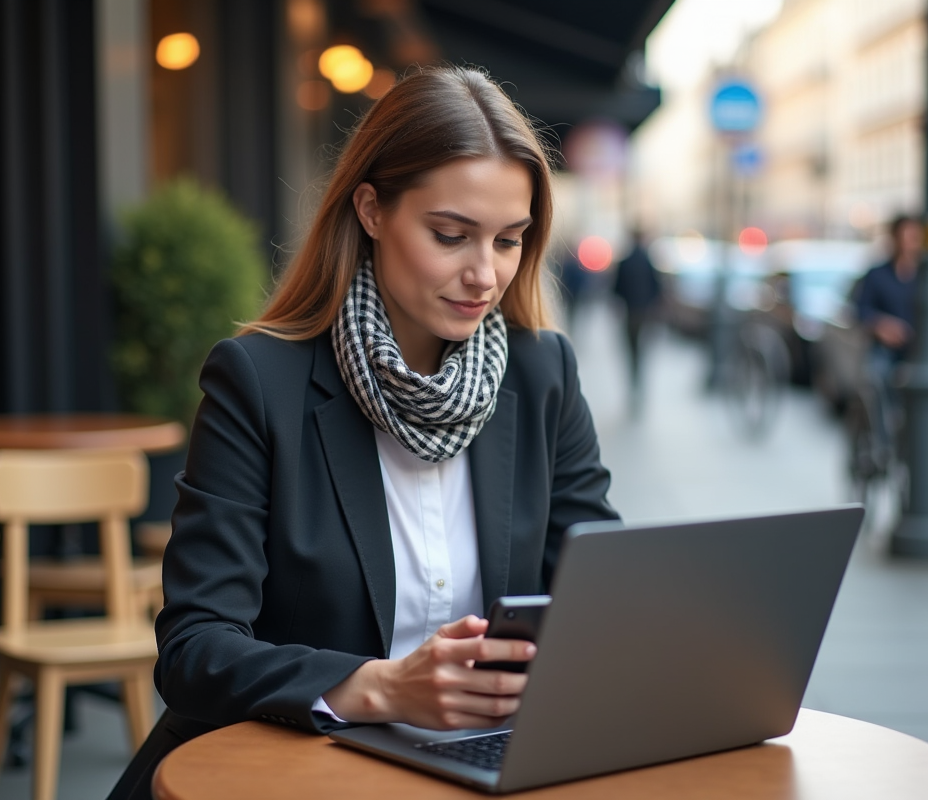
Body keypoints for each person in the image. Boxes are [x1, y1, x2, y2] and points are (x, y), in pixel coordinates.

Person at [105, 66, 618, 800]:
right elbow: (195, 649)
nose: (484, 274)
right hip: (295, 769)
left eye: (509, 240)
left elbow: (598, 586)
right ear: (372, 210)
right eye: (450, 235)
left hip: (486, 766)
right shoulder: (258, 379)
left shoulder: (541, 374)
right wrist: (378, 688)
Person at [854, 214, 923, 453]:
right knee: (879, 380)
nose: (910, 242)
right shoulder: (877, 274)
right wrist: (881, 326)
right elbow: (861, 310)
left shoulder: (926, 275)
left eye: (914, 237)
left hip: (916, 351)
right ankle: (881, 443)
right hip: (884, 350)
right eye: (905, 236)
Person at [612, 228, 662, 408]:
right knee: (642, 352)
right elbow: (657, 287)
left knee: (632, 351)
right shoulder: (648, 261)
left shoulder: (625, 262)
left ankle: (634, 384)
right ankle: (639, 384)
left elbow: (616, 288)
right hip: (645, 314)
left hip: (630, 313)